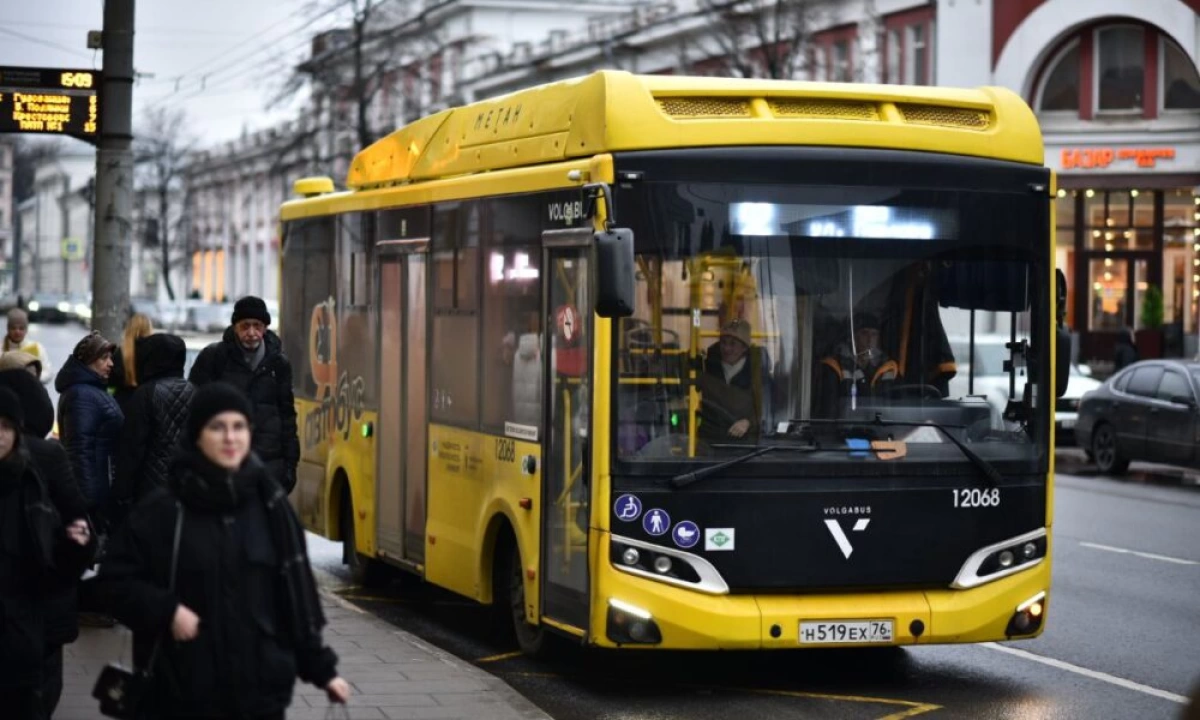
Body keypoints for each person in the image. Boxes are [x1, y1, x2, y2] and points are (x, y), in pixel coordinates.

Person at [95, 383, 351, 717]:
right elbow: (113, 582)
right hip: (182, 693)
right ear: (197, 435)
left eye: (238, 427)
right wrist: (167, 610)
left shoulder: (271, 505)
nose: (230, 438)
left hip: (259, 695)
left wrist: (324, 671)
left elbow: (293, 600)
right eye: (217, 427)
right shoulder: (164, 509)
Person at [0, 369, 96, 718]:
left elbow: (80, 530)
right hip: (45, 609)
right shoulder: (50, 455)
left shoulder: (41, 459)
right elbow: (81, 527)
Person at [189, 296, 300, 493]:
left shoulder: (279, 364)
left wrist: (290, 466)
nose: (251, 333)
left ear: (265, 328)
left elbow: (287, 417)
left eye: (257, 326)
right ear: (235, 327)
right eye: (245, 326)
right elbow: (195, 411)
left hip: (269, 465)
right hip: (223, 464)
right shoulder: (215, 358)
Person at [113, 333, 196, 514]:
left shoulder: (146, 394)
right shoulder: (194, 391)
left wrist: (121, 492)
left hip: (149, 488)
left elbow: (132, 448)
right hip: (185, 483)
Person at [56, 332, 124, 533]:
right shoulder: (82, 395)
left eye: (110, 357)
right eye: (104, 358)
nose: (111, 363)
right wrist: (89, 502)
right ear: (88, 361)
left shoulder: (92, 390)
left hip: (99, 486)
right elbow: (80, 450)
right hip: (92, 493)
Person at [698, 318, 770, 443]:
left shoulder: (758, 375)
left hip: (745, 446)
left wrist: (748, 422)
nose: (726, 349)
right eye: (723, 343)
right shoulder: (707, 368)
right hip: (710, 442)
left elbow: (769, 411)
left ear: (744, 348)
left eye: (732, 344)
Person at [818, 312, 899, 418]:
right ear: (852, 337)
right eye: (864, 333)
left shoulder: (890, 367)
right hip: (845, 431)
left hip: (882, 431)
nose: (870, 340)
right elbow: (828, 412)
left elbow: (900, 405)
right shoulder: (835, 366)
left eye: (874, 334)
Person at [109, 312, 155, 413]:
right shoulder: (154, 353)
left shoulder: (120, 352)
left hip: (122, 404)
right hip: (147, 404)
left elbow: (110, 380)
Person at [3, 308, 52, 384]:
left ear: (26, 330)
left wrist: (35, 378)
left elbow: (47, 372)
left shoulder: (37, 347)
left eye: (21, 328)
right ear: (8, 329)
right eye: (13, 328)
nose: (17, 331)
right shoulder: (1, 348)